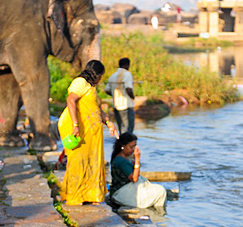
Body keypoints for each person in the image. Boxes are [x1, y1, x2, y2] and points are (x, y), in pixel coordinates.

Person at [59, 60, 117, 205]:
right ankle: (74, 196)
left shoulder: (90, 87)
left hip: (92, 134)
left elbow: (95, 108)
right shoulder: (80, 83)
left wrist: (109, 123)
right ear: (96, 74)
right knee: (78, 161)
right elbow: (70, 100)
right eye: (101, 76)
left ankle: (89, 195)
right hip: (79, 130)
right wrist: (75, 124)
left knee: (92, 162)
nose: (100, 79)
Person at [109, 132, 166, 209]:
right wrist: (137, 159)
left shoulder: (123, 157)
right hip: (121, 193)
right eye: (131, 147)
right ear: (123, 147)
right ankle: (158, 213)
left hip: (119, 191)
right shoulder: (121, 161)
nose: (133, 149)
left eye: (134, 146)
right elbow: (134, 178)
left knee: (157, 189)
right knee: (160, 191)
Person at [106, 57, 135, 135]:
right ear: (127, 65)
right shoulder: (127, 74)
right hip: (126, 105)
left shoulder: (112, 76)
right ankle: (127, 145)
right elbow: (128, 89)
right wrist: (132, 97)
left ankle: (122, 144)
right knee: (128, 129)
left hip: (116, 106)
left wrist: (114, 94)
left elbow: (107, 90)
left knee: (121, 129)